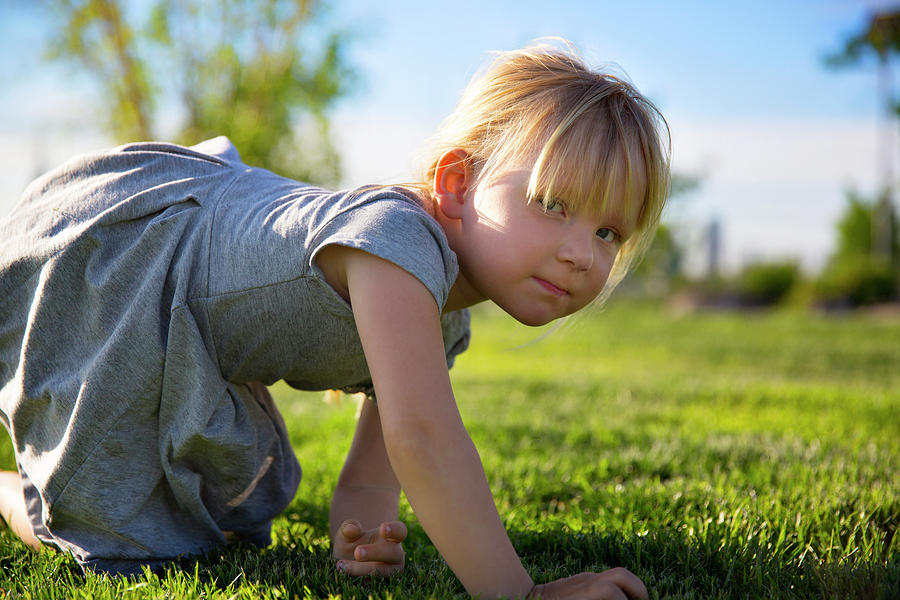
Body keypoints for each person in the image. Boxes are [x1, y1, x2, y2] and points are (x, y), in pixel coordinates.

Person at [0, 42, 669, 599]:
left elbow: (374, 476)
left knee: (205, 528)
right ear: (457, 185)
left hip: (198, 312)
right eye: (552, 203)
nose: (581, 252)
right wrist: (524, 595)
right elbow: (425, 440)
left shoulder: (440, 317)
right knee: (124, 548)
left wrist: (363, 540)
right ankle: (11, 494)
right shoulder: (396, 242)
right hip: (131, 270)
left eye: (610, 231)